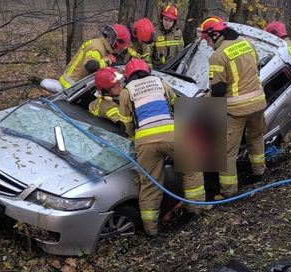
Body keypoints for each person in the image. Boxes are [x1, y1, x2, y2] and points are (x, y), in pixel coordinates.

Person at [118, 58, 208, 236]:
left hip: (145, 141)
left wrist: (135, 139)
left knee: (150, 183)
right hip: (171, 134)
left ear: (128, 76)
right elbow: (177, 106)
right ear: (147, 71)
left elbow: (126, 123)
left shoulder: (126, 92)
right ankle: (196, 211)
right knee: (191, 169)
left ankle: (151, 229)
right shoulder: (161, 82)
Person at [200, 16, 266, 197]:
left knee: (226, 153)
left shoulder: (217, 56)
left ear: (215, 35)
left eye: (206, 39)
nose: (207, 44)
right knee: (256, 137)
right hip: (258, 102)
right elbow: (257, 67)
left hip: (237, 110)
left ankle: (228, 192)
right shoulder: (247, 44)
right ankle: (259, 173)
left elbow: (218, 91)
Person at [59, 24, 131, 89]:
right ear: (116, 43)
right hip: (71, 87)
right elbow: (90, 66)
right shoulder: (97, 48)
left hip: (69, 82)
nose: (119, 50)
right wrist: (106, 62)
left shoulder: (99, 42)